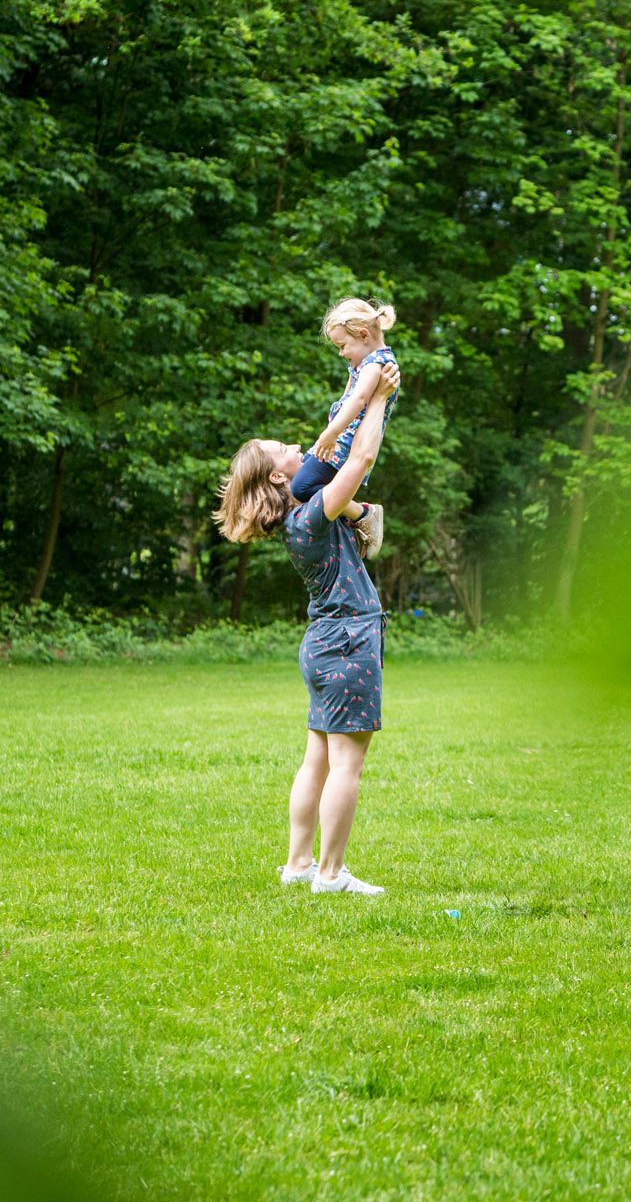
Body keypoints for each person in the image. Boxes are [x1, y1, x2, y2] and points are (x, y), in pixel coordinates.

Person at [212, 361, 401, 896]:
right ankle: (331, 874)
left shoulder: (302, 519)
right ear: (278, 476)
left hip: (322, 645)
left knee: (317, 757)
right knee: (347, 765)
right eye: (285, 450)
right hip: (347, 641)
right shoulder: (313, 515)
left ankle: (298, 864)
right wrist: (381, 398)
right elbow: (360, 458)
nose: (297, 447)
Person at [288, 298, 398, 558]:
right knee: (306, 485)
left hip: (346, 445)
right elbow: (348, 396)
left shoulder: (375, 365)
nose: (341, 353)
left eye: (342, 345)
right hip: (338, 440)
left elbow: (358, 400)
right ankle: (349, 519)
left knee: (301, 488)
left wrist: (331, 433)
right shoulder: (363, 362)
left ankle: (363, 513)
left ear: (363, 334)